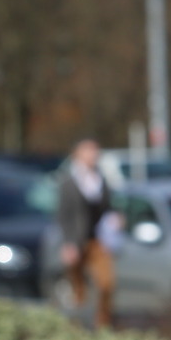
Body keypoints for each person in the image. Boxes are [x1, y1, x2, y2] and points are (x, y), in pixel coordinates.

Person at [55, 138, 114, 329]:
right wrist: (68, 243)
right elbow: (63, 215)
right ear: (77, 154)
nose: (93, 155)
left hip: (98, 240)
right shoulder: (68, 181)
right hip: (77, 242)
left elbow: (107, 208)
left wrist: (115, 219)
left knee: (106, 283)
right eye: (89, 151)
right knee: (78, 288)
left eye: (95, 151)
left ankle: (103, 324)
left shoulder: (100, 179)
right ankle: (77, 326)